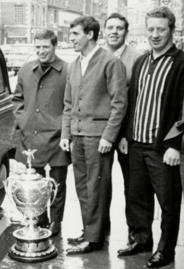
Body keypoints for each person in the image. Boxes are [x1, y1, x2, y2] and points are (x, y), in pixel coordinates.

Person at [118, 7, 184, 268]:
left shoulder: (180, 63)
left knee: (168, 202)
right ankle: (141, 240)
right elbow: (132, 101)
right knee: (136, 197)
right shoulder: (141, 61)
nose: (155, 35)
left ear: (172, 30)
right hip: (135, 142)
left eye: (161, 29)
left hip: (162, 148)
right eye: (151, 29)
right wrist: (125, 135)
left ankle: (165, 251)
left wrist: (175, 145)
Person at [59, 16, 127, 255]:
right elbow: (68, 102)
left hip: (98, 138)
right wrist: (66, 132)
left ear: (89, 34)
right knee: (82, 187)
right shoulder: (75, 63)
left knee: (97, 188)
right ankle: (90, 232)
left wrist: (109, 137)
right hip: (77, 136)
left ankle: (95, 238)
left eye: (75, 34)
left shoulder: (110, 62)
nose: (71, 39)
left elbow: (119, 103)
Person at [13, 29, 70, 237]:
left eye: (46, 47)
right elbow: (17, 99)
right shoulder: (26, 69)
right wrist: (22, 119)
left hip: (57, 138)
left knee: (57, 184)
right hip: (32, 136)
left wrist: (64, 130)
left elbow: (70, 104)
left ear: (54, 46)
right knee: (33, 184)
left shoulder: (67, 70)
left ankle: (56, 222)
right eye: (38, 47)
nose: (41, 51)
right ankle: (39, 218)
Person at [102, 12, 141, 248]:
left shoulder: (136, 58)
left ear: (125, 32)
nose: (114, 32)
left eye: (119, 28)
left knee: (133, 186)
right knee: (101, 185)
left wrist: (126, 134)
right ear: (104, 31)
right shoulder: (98, 57)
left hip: (127, 134)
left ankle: (135, 235)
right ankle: (98, 232)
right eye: (110, 28)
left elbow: (136, 99)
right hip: (101, 132)